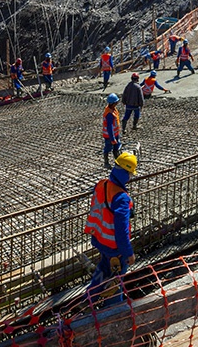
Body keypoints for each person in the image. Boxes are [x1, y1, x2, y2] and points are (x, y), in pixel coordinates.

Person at [84, 152, 137, 305]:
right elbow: (122, 231)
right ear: (125, 173)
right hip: (115, 249)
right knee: (115, 284)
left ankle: (89, 300)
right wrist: (128, 253)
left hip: (100, 240)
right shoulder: (121, 198)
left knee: (103, 272)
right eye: (130, 174)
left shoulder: (101, 184)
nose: (131, 177)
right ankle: (113, 312)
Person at [101, 93, 122, 168]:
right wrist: (112, 138)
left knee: (116, 147)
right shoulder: (109, 114)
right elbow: (109, 127)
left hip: (115, 134)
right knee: (108, 148)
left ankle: (118, 161)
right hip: (109, 136)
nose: (117, 103)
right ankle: (106, 162)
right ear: (113, 103)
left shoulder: (112, 109)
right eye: (116, 102)